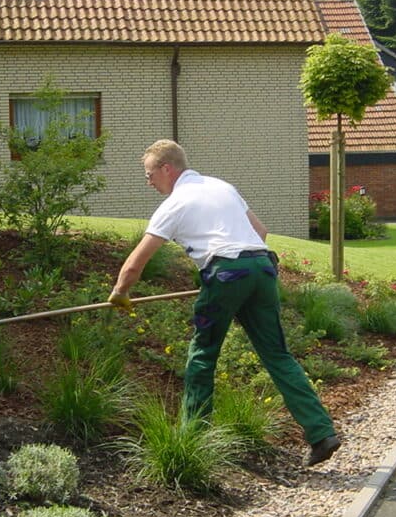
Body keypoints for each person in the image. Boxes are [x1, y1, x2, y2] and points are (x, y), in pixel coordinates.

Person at [108, 139, 341, 467]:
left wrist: (120, 292)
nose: (148, 182)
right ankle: (321, 433)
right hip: (261, 268)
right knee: (278, 355)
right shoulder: (222, 187)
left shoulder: (176, 203)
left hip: (226, 274)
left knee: (202, 356)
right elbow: (260, 231)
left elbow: (136, 262)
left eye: (149, 174)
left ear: (167, 168)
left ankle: (194, 440)